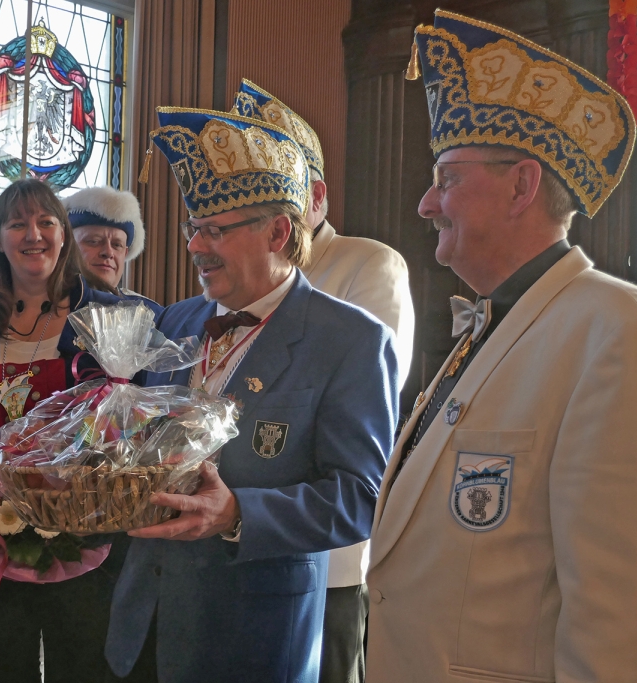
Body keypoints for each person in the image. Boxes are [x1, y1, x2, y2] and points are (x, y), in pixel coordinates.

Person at [366, 10, 637, 682]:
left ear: (522, 185)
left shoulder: (614, 330)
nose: (426, 203)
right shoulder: (492, 323)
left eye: (448, 179)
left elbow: (613, 618)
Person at [105, 107, 399, 683]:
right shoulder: (176, 320)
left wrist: (238, 512)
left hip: (252, 633)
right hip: (145, 622)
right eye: (193, 228)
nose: (196, 246)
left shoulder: (352, 340)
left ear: (279, 233)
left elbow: (362, 498)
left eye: (216, 230)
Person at [235, 80, 415, 683]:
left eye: (280, 191)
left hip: (323, 546)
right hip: (235, 536)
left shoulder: (369, 263)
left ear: (314, 196)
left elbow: (371, 391)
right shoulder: (242, 274)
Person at [0, 178, 131, 683]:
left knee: (83, 673)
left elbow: (135, 425)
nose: (33, 235)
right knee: (1, 671)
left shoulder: (114, 318)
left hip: (86, 539)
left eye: (46, 222)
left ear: (64, 235)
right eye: (17, 224)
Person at [63, 186, 162, 312]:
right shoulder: (45, 306)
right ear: (67, 247)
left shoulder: (149, 313)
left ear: (125, 253)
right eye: (94, 241)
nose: (108, 252)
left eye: (117, 245)